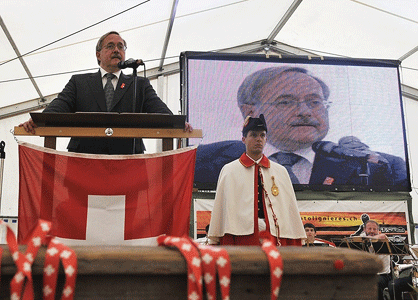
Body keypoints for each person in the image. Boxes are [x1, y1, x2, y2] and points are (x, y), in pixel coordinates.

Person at [194, 67, 408, 189]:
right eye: (286, 102)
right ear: (250, 112)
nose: (305, 112)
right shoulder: (205, 163)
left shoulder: (380, 167)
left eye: (315, 102)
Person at [19, 31, 192, 154]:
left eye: (121, 46)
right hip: (85, 159)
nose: (117, 50)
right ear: (98, 55)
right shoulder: (79, 82)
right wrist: (37, 120)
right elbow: (60, 105)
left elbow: (158, 109)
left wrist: (177, 123)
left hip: (128, 161)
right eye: (110, 46)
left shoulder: (139, 83)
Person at [207, 114, 306, 246]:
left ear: (266, 139)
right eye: (253, 135)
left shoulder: (280, 172)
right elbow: (222, 209)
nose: (258, 139)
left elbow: (288, 209)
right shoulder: (229, 170)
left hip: (274, 235)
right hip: (241, 236)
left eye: (262, 135)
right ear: (244, 139)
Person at [361, 220, 392, 300]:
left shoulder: (383, 239)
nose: (372, 231)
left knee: (375, 283)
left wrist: (369, 239)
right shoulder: (362, 240)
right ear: (364, 229)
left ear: (378, 231)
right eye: (369, 228)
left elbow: (383, 236)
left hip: (383, 275)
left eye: (374, 229)